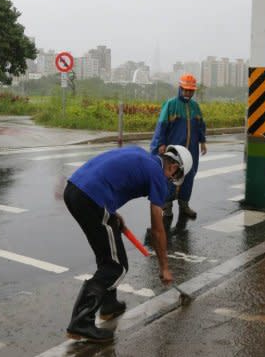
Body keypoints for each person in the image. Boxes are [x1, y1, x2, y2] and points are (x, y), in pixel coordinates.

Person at [63, 144, 192, 342]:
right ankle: (81, 322)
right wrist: (164, 267)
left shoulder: (140, 154)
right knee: (116, 267)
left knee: (109, 253)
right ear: (174, 167)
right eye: (174, 177)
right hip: (92, 198)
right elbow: (158, 229)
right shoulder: (157, 175)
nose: (170, 180)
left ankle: (109, 305)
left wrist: (111, 214)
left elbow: (109, 175)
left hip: (75, 190)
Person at [150, 73, 207, 219]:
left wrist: (203, 142)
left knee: (189, 175)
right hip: (174, 151)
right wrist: (161, 143)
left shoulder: (195, 107)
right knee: (170, 176)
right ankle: (166, 206)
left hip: (191, 150)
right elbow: (161, 126)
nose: (188, 93)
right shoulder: (171, 105)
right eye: (185, 90)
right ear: (180, 88)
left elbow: (200, 126)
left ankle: (184, 205)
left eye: (191, 90)